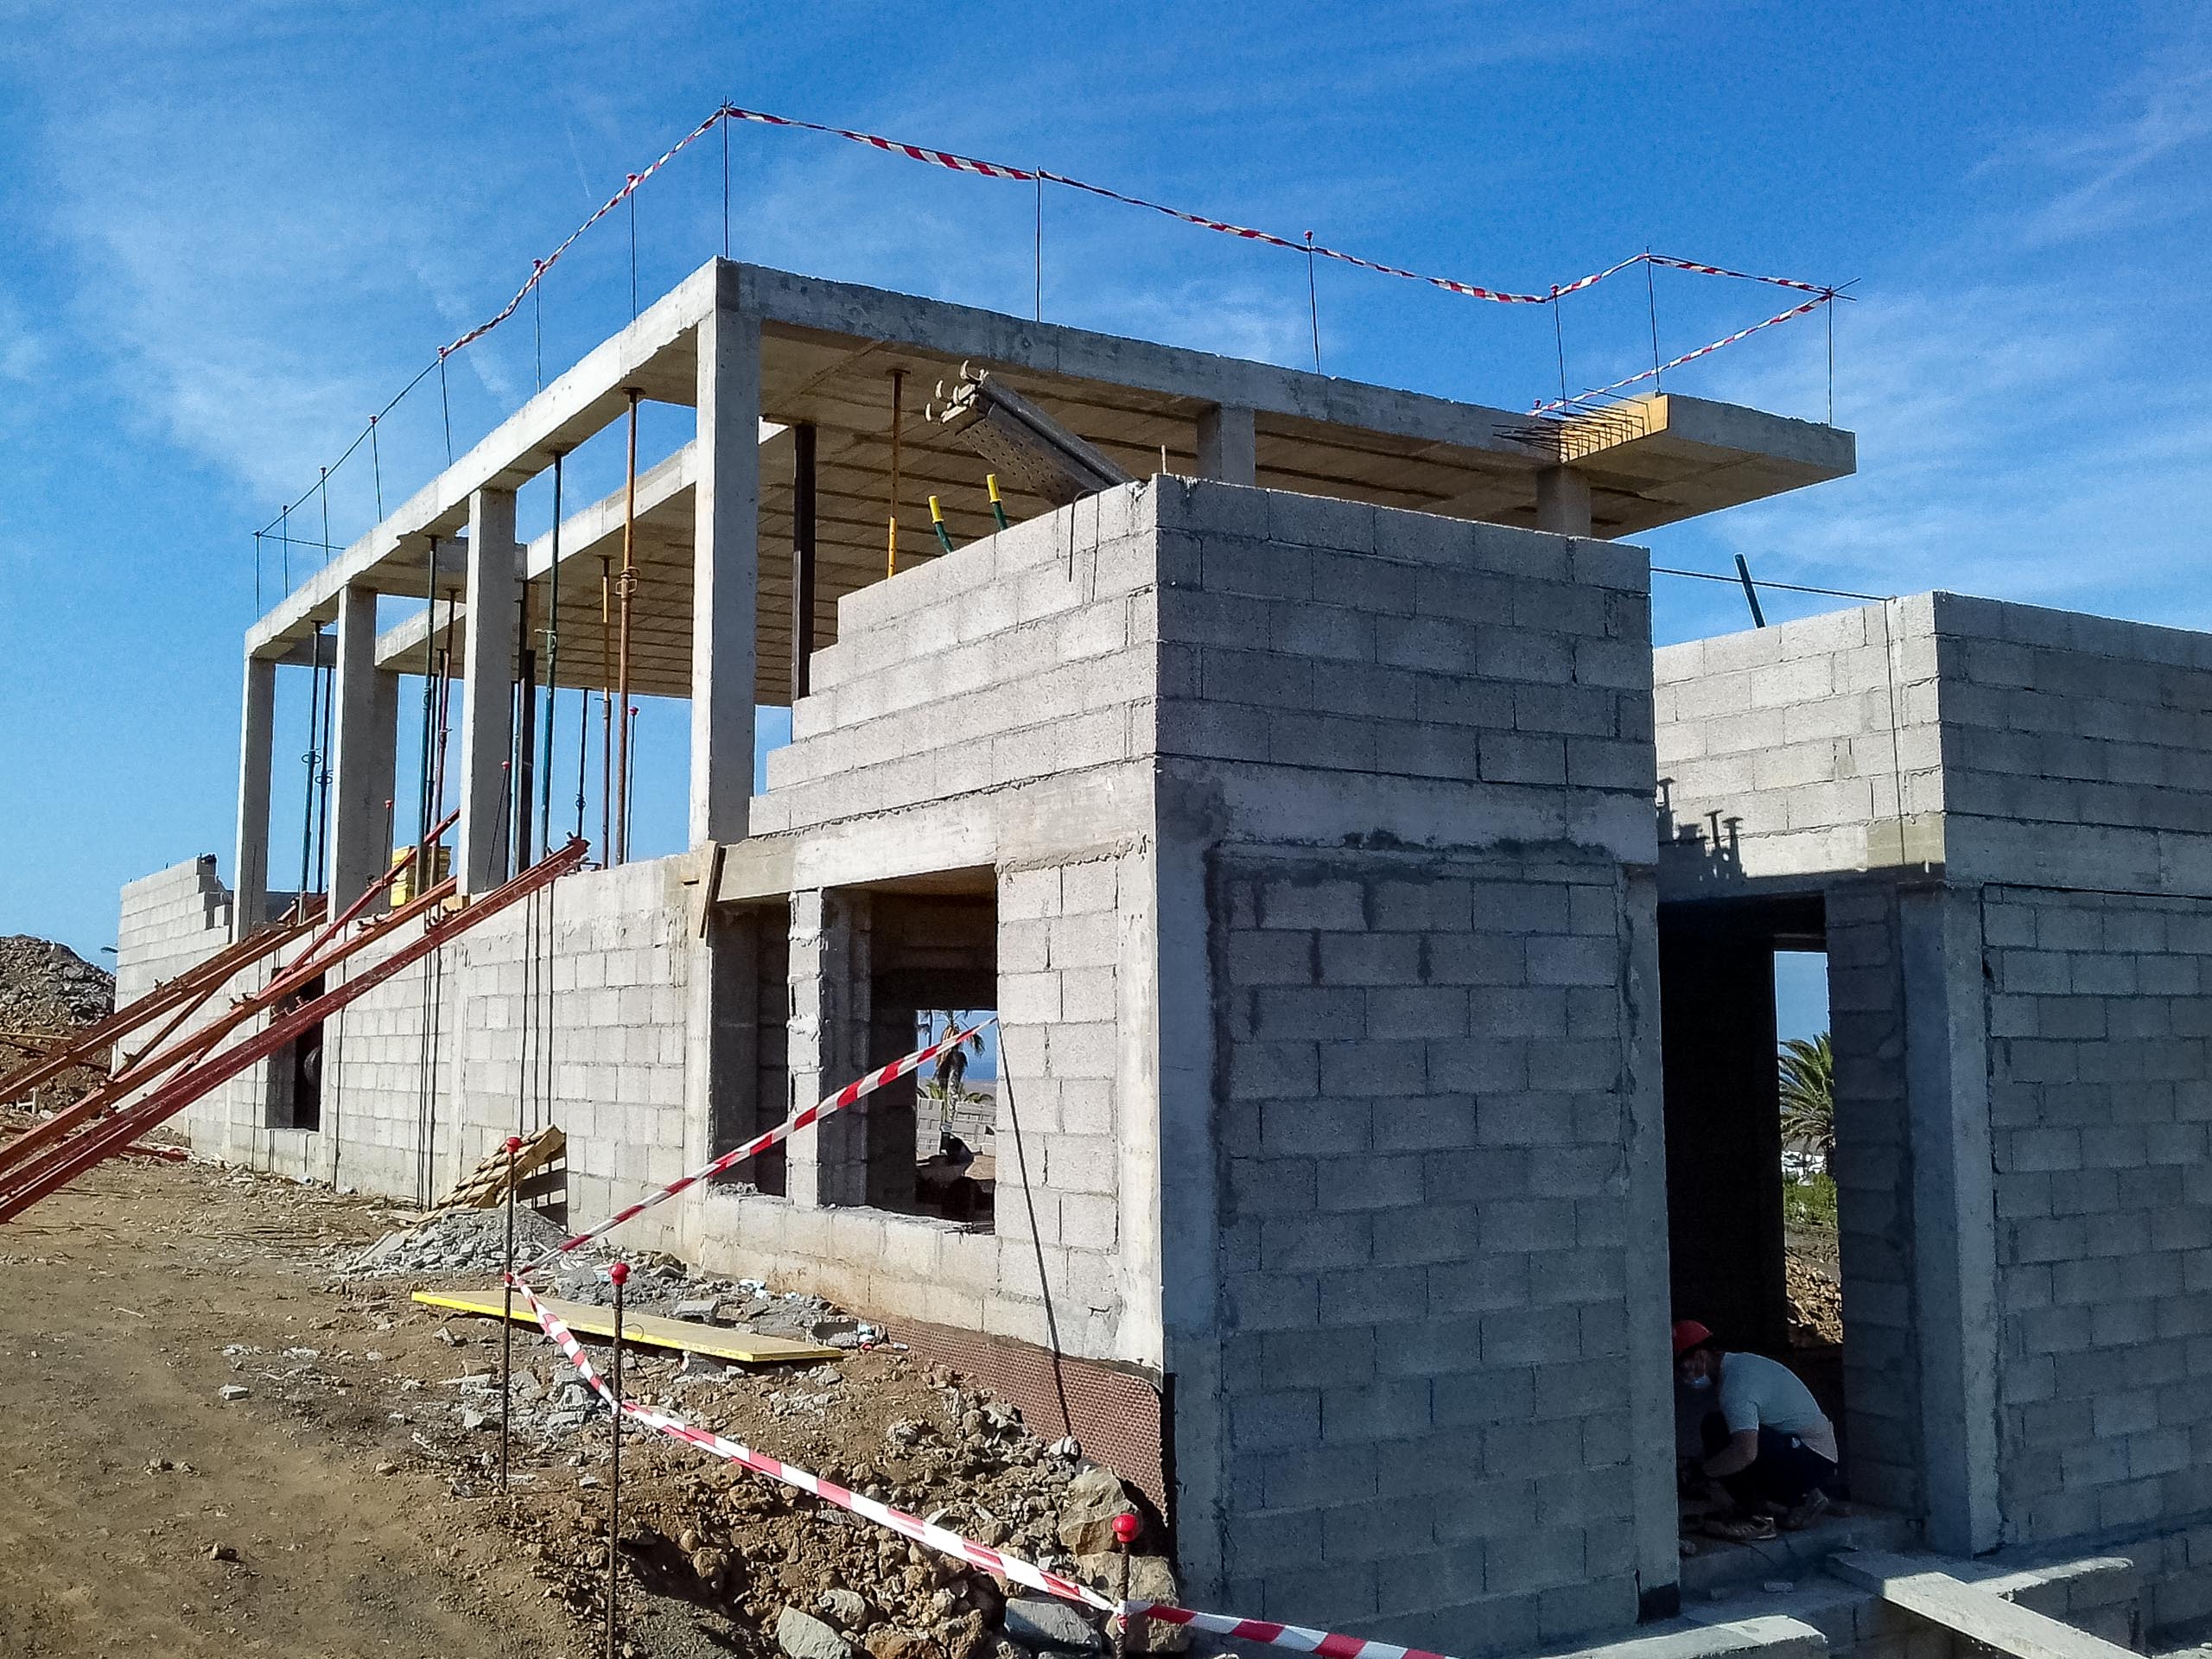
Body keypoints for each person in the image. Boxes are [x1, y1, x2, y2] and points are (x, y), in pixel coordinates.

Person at [1674, 1319, 1836, 1531]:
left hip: (1811, 1459)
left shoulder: (1735, 1388)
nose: (1683, 1377)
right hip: (1812, 1454)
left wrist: (1705, 1474)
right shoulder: (1739, 1365)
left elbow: (1745, 1453)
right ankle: (1792, 1496)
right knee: (1719, 1427)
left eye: (1683, 1368)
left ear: (1701, 1357)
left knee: (1722, 1436)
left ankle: (1769, 1509)